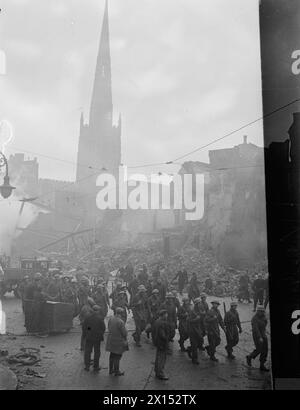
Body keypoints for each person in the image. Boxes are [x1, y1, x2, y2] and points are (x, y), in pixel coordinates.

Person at [106, 307, 128, 376]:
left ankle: (111, 370)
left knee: (112, 356)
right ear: (121, 313)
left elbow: (109, 327)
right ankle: (116, 371)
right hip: (118, 341)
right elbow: (124, 333)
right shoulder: (120, 322)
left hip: (111, 340)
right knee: (117, 357)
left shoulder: (111, 319)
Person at [82, 305, 106, 372]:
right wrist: (100, 333)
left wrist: (87, 332)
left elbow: (85, 327)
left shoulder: (87, 317)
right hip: (97, 338)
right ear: (98, 311)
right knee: (97, 352)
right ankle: (96, 367)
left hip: (89, 337)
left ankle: (87, 366)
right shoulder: (100, 318)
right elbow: (103, 328)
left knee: (87, 351)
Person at [246, 306, 269, 372]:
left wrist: (264, 333)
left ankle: (262, 365)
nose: (261, 313)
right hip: (257, 335)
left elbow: (264, 325)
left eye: (262, 311)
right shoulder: (254, 318)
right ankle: (249, 357)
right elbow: (256, 329)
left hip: (263, 335)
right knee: (259, 349)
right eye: (260, 311)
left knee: (265, 350)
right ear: (257, 311)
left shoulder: (264, 317)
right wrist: (260, 337)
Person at [152, 310, 170, 380]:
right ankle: (160, 374)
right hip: (162, 343)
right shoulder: (162, 323)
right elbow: (162, 335)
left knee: (158, 357)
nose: (167, 315)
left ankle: (157, 371)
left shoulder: (157, 321)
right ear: (163, 315)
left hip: (157, 342)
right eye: (166, 314)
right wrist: (167, 339)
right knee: (162, 359)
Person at [187, 298, 205, 365]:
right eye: (199, 303)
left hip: (198, 330)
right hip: (192, 330)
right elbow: (188, 320)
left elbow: (202, 320)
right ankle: (194, 359)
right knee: (194, 345)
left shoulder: (200, 310)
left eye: (200, 303)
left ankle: (189, 349)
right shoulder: (192, 311)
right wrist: (195, 319)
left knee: (199, 343)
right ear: (196, 304)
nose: (200, 304)